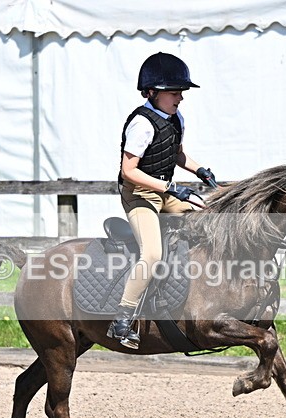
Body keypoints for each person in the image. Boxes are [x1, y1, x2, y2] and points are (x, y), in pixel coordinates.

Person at [107, 52, 217, 350]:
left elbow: (176, 154)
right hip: (139, 195)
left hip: (164, 193)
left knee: (206, 216)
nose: (180, 97)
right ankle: (122, 319)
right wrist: (171, 187)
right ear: (152, 93)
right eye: (174, 92)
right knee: (152, 254)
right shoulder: (141, 124)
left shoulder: (176, 118)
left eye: (181, 92)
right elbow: (129, 171)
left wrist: (200, 170)